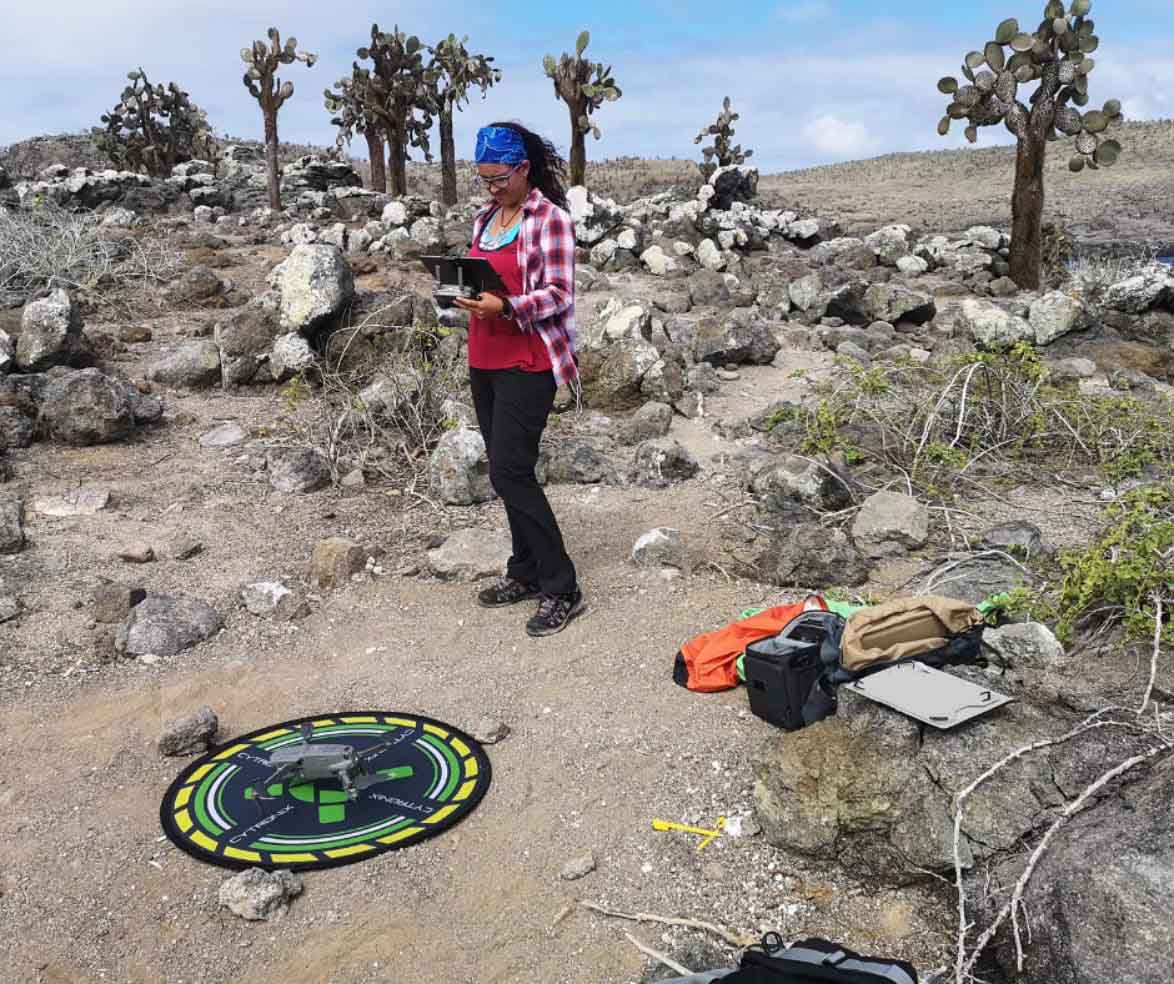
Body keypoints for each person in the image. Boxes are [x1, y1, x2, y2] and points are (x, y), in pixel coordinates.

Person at [452, 122, 584, 637]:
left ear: (524, 168)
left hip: (528, 361)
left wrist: (505, 306)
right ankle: (525, 571)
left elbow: (558, 293)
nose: (490, 187)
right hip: (484, 358)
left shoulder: (549, 220)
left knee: (511, 472)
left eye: (499, 177)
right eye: (483, 178)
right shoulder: (487, 217)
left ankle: (562, 585)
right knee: (505, 471)